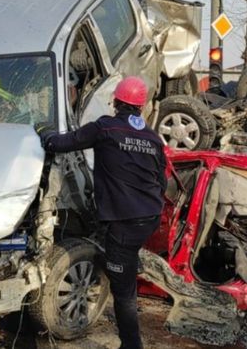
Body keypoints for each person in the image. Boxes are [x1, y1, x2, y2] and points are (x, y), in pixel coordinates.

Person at [40, 76, 166, 349]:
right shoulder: (153, 138)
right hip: (149, 217)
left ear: (116, 102)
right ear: (141, 107)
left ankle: (131, 345)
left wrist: (45, 135)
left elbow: (63, 143)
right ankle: (123, 262)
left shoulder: (105, 128)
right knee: (123, 256)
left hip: (125, 221)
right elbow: (161, 180)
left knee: (124, 292)